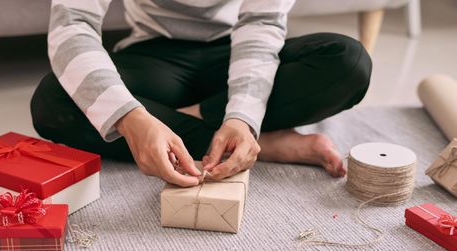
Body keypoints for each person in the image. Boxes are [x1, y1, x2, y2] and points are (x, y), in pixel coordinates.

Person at [31, 0, 372, 187]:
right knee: (53, 99)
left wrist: (242, 116)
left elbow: (261, 25)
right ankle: (263, 144)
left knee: (348, 62)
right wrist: (129, 117)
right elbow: (72, 24)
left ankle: (216, 127)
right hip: (155, 53)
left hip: (237, 47)